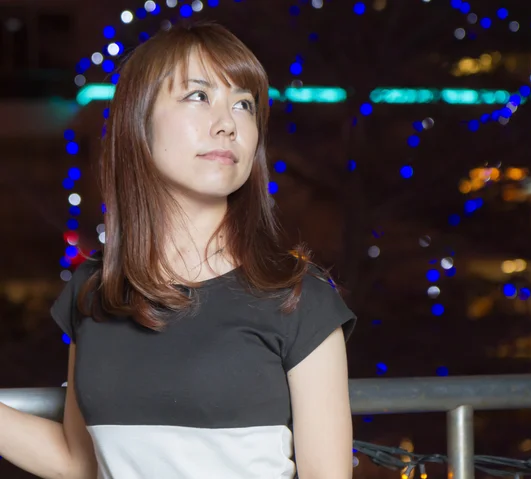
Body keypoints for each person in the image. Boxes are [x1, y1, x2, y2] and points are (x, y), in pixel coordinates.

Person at [0, 21, 357, 479]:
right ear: (139, 123)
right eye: (198, 95)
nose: (228, 123)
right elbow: (80, 462)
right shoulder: (95, 290)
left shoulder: (299, 298)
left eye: (244, 104)